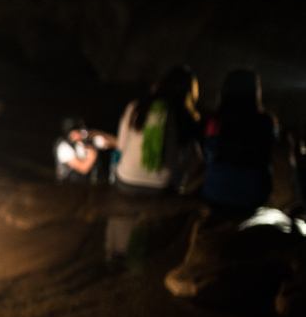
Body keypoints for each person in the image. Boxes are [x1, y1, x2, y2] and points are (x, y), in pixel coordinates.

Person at [114, 65, 202, 194]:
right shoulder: (184, 116)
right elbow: (192, 160)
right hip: (161, 187)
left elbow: (121, 146)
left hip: (126, 180)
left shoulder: (136, 107)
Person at [201, 69, 279, 212]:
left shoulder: (216, 120)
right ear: (256, 92)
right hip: (253, 194)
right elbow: (268, 155)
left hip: (215, 191)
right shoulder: (266, 122)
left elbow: (208, 152)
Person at [54, 116, 119, 184]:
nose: (81, 133)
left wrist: (95, 133)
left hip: (90, 184)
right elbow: (83, 168)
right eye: (77, 131)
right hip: (69, 185)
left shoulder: (87, 140)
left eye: (82, 130)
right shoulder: (63, 146)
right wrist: (92, 155)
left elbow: (115, 143)